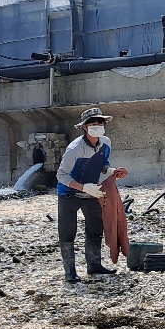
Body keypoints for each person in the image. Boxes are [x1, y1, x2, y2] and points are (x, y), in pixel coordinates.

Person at [55, 107, 128, 283]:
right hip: (69, 194)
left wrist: (111, 170)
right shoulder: (75, 148)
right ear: (84, 128)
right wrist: (82, 187)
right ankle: (70, 272)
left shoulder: (106, 143)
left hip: (92, 193)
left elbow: (103, 163)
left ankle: (94, 265)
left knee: (95, 230)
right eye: (92, 123)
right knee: (67, 232)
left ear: (104, 125)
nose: (96, 126)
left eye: (99, 123)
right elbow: (61, 175)